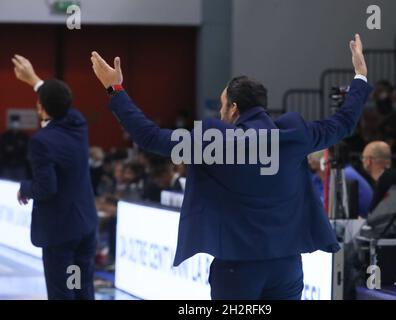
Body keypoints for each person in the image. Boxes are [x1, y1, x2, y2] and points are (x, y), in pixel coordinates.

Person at [90, 34, 372, 300]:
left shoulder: (215, 143)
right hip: (286, 266)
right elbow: (344, 123)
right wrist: (360, 76)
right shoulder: (294, 135)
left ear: (234, 109)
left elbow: (149, 136)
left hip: (237, 269)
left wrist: (115, 89)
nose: (221, 112)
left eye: (223, 106)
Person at [12, 55, 98, 300]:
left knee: (62, 293)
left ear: (41, 108)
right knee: (83, 289)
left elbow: (46, 187)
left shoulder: (41, 142)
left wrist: (24, 188)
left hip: (60, 232)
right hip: (85, 225)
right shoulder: (78, 124)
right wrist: (35, 82)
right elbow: (60, 105)